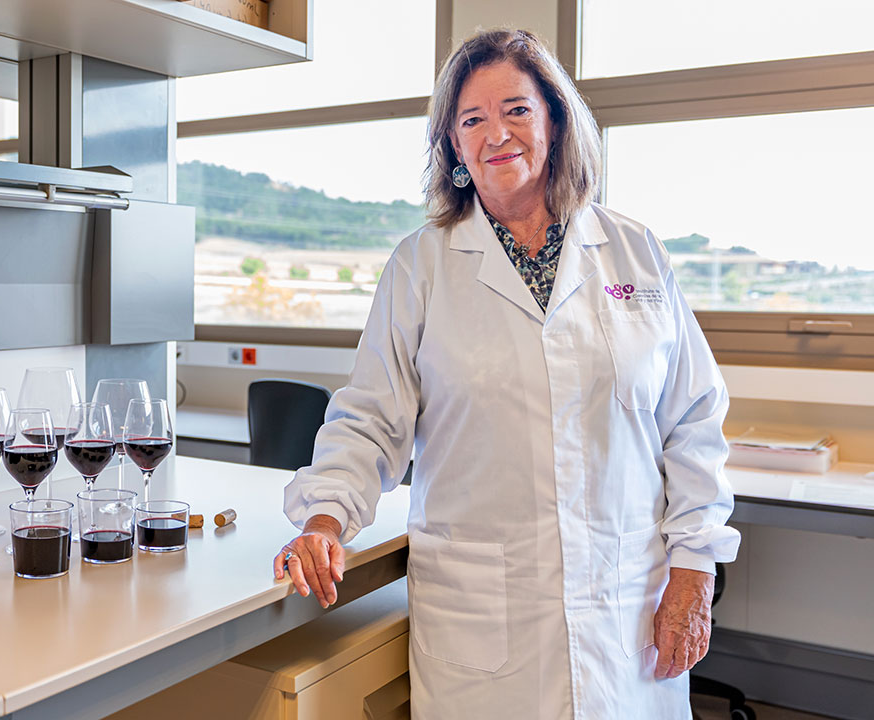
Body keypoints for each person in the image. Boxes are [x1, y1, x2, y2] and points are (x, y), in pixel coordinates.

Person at [274, 28, 741, 719]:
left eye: (517, 109)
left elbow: (693, 421)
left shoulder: (635, 252)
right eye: (473, 119)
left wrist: (695, 571)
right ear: (453, 148)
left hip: (624, 606)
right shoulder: (420, 266)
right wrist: (324, 520)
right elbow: (370, 417)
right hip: (482, 619)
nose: (498, 133)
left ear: (554, 119)